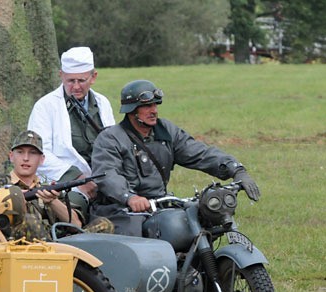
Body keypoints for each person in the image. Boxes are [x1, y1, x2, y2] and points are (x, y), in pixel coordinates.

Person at [90, 79, 261, 236]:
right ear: (131, 110)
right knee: (134, 241)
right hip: (120, 209)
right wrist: (129, 197)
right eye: (147, 106)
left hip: (159, 205)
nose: (154, 110)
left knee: (198, 222)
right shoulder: (111, 138)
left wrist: (235, 168)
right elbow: (107, 174)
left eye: (155, 105)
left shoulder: (166, 132)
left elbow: (199, 152)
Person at [27, 46, 116, 224]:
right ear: (61, 75)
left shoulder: (102, 103)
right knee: (74, 212)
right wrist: (78, 179)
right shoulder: (45, 106)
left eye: (81, 80)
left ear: (93, 77)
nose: (75, 86)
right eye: (70, 80)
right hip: (66, 186)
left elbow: (113, 145)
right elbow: (39, 154)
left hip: (104, 179)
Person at [0, 130, 83, 240]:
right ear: (11, 156)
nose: (26, 158)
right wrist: (9, 197)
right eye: (20, 152)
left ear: (42, 159)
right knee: (30, 221)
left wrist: (52, 201)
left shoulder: (50, 190)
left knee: (101, 224)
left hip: (57, 248)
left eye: (32, 153)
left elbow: (76, 226)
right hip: (9, 247)